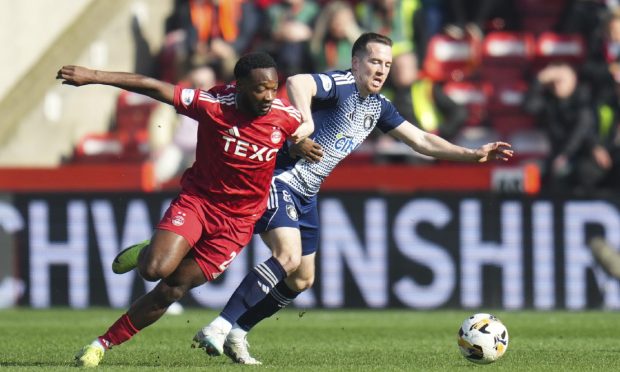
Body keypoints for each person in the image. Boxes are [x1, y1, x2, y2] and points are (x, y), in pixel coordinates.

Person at [193, 32, 514, 365]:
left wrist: (473, 154)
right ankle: (218, 326)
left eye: (387, 64)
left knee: (302, 278)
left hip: (307, 193)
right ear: (356, 62)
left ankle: (238, 332)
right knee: (286, 257)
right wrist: (304, 120)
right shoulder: (342, 84)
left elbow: (421, 140)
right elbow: (300, 83)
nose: (381, 70)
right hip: (280, 179)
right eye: (375, 61)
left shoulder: (377, 106)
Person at [56, 52, 318, 367]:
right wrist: (93, 76)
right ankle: (145, 252)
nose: (268, 96)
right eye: (260, 89)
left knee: (172, 289)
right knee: (153, 269)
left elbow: (291, 136)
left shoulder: (284, 114)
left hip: (238, 223)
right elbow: (151, 85)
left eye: (273, 88)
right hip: (199, 201)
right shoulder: (213, 105)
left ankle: (101, 344)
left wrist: (295, 145)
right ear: (239, 86)